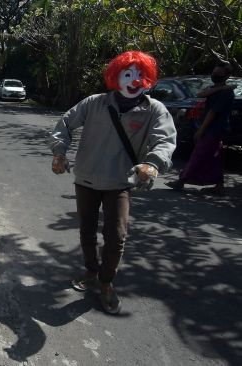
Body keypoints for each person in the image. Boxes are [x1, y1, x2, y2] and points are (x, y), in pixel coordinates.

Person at [49, 51, 177, 314]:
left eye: (140, 75)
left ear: (148, 79)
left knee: (116, 235)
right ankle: (91, 272)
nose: (134, 80)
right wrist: (59, 152)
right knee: (86, 229)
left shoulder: (154, 110)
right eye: (128, 74)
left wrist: (152, 163)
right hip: (85, 177)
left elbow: (165, 141)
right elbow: (64, 123)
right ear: (115, 76)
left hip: (120, 181)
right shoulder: (95, 102)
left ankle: (106, 282)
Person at [165, 62, 235, 195]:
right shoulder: (217, 89)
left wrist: (201, 130)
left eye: (219, 74)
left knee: (199, 153)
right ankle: (219, 185)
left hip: (214, 128)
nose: (215, 75)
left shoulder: (226, 94)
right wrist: (220, 88)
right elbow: (201, 94)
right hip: (214, 128)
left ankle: (182, 180)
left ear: (226, 76)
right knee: (216, 157)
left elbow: (213, 112)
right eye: (215, 72)